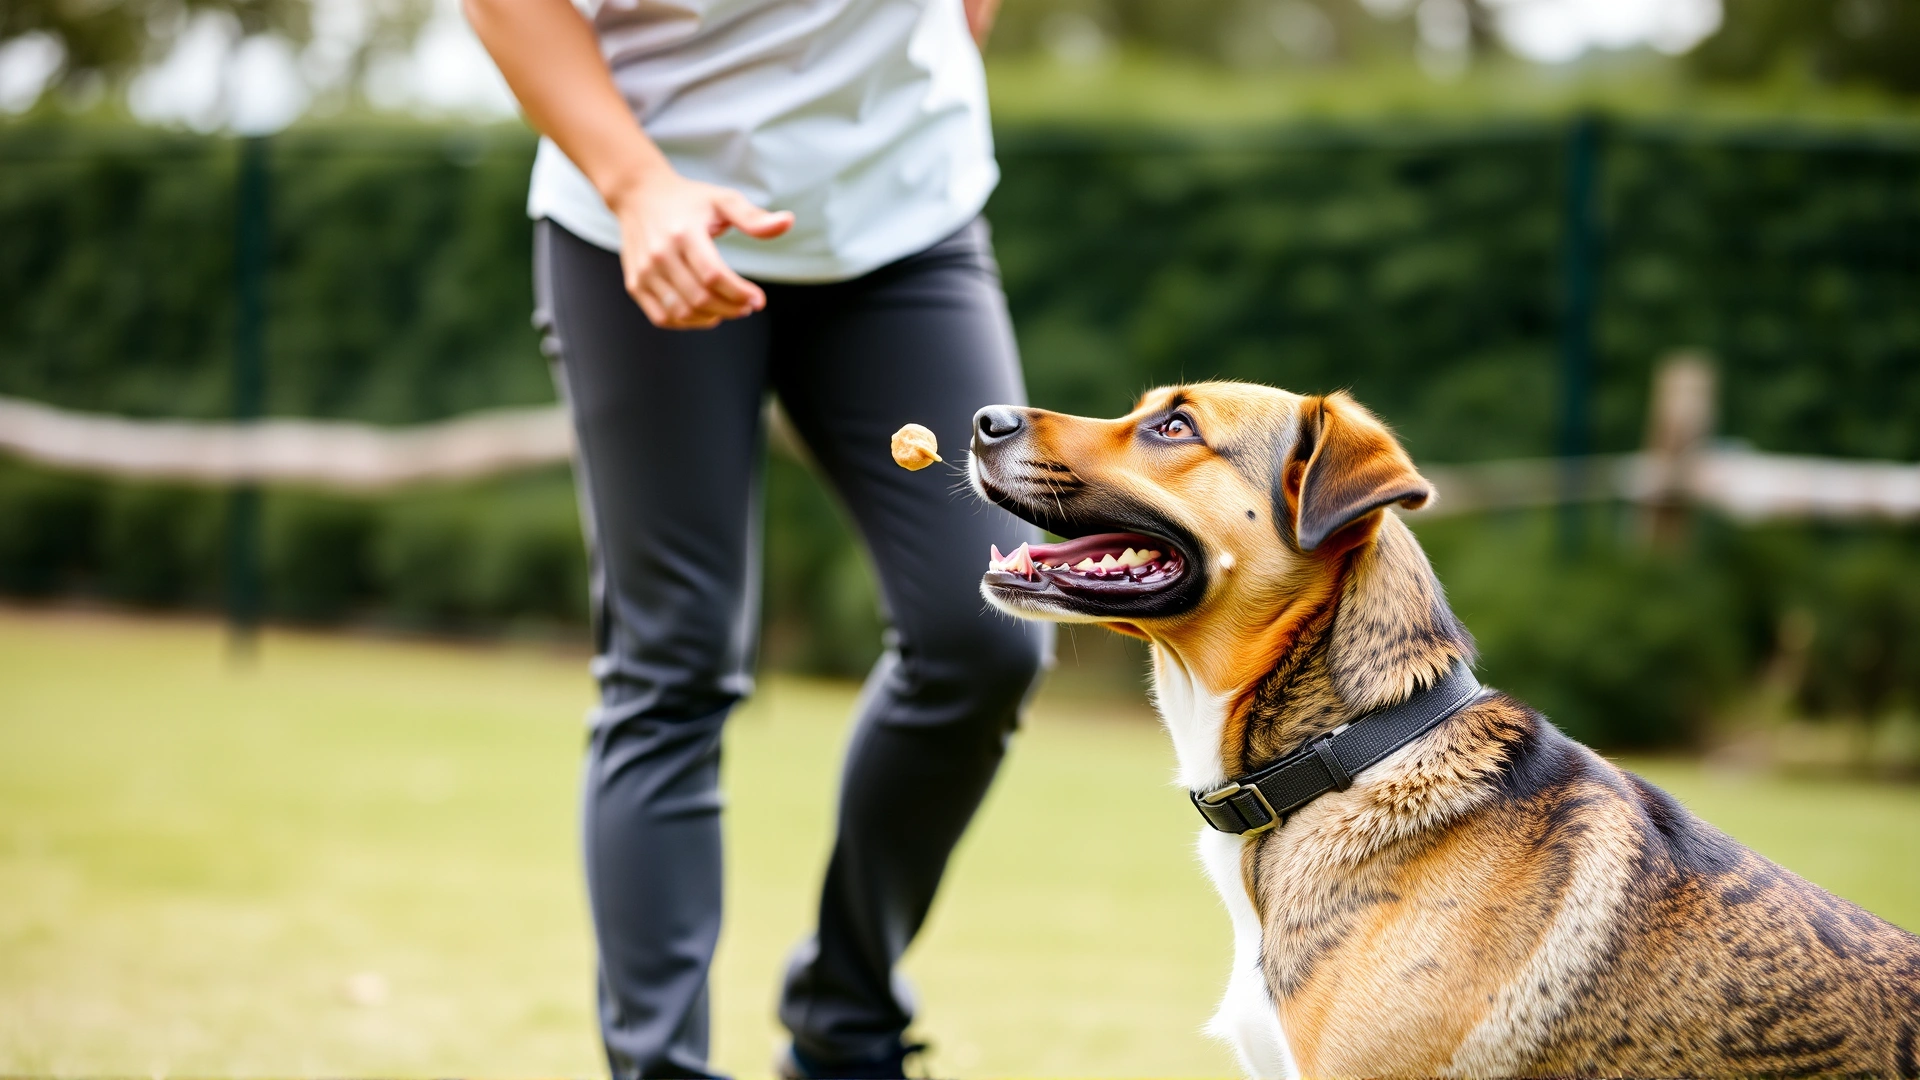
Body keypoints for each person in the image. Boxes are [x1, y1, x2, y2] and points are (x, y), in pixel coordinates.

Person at [462, 0, 1050, 1075]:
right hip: (642, 216)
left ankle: (845, 1028)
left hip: (903, 221)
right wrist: (636, 184)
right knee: (672, 662)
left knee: (988, 634)